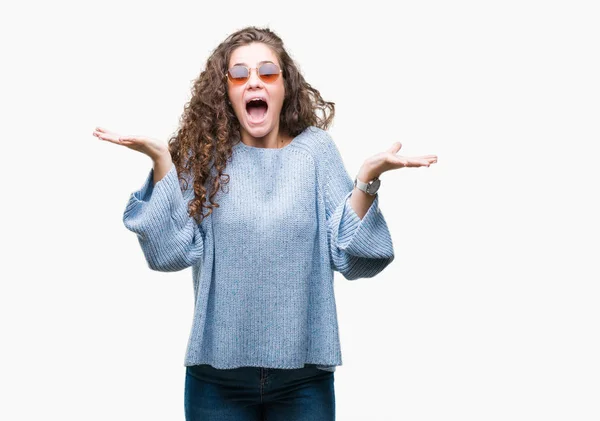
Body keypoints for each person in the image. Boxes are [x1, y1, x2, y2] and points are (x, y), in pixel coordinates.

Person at [93, 25, 437, 421]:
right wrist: (162, 164)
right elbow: (168, 254)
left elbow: (356, 259)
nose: (253, 81)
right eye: (239, 75)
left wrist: (366, 182)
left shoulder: (315, 152)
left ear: (284, 86)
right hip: (216, 378)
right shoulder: (204, 156)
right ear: (225, 91)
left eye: (267, 72)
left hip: (304, 379)